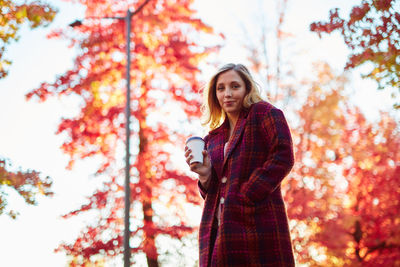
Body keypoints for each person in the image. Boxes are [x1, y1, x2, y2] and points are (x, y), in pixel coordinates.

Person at [185, 63, 295, 266]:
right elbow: (212, 190)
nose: (227, 93)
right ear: (214, 94)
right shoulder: (213, 138)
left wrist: (246, 195)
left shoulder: (264, 113)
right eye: (221, 88)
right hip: (218, 233)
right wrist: (205, 175)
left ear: (247, 89)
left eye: (234, 86)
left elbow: (283, 156)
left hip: (259, 226)